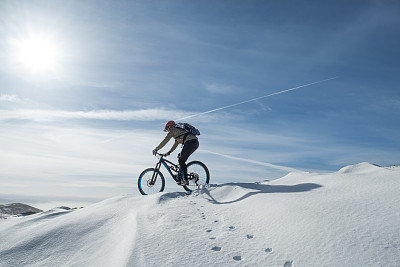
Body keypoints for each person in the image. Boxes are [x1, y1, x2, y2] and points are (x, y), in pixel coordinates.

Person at [153, 120, 199, 185]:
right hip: (194, 143)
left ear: (169, 127)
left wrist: (156, 149)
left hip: (190, 143)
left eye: (167, 129)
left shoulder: (173, 129)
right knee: (181, 158)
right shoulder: (178, 133)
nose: (168, 131)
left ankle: (185, 179)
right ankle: (180, 176)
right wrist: (168, 152)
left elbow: (165, 140)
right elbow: (175, 144)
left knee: (181, 160)